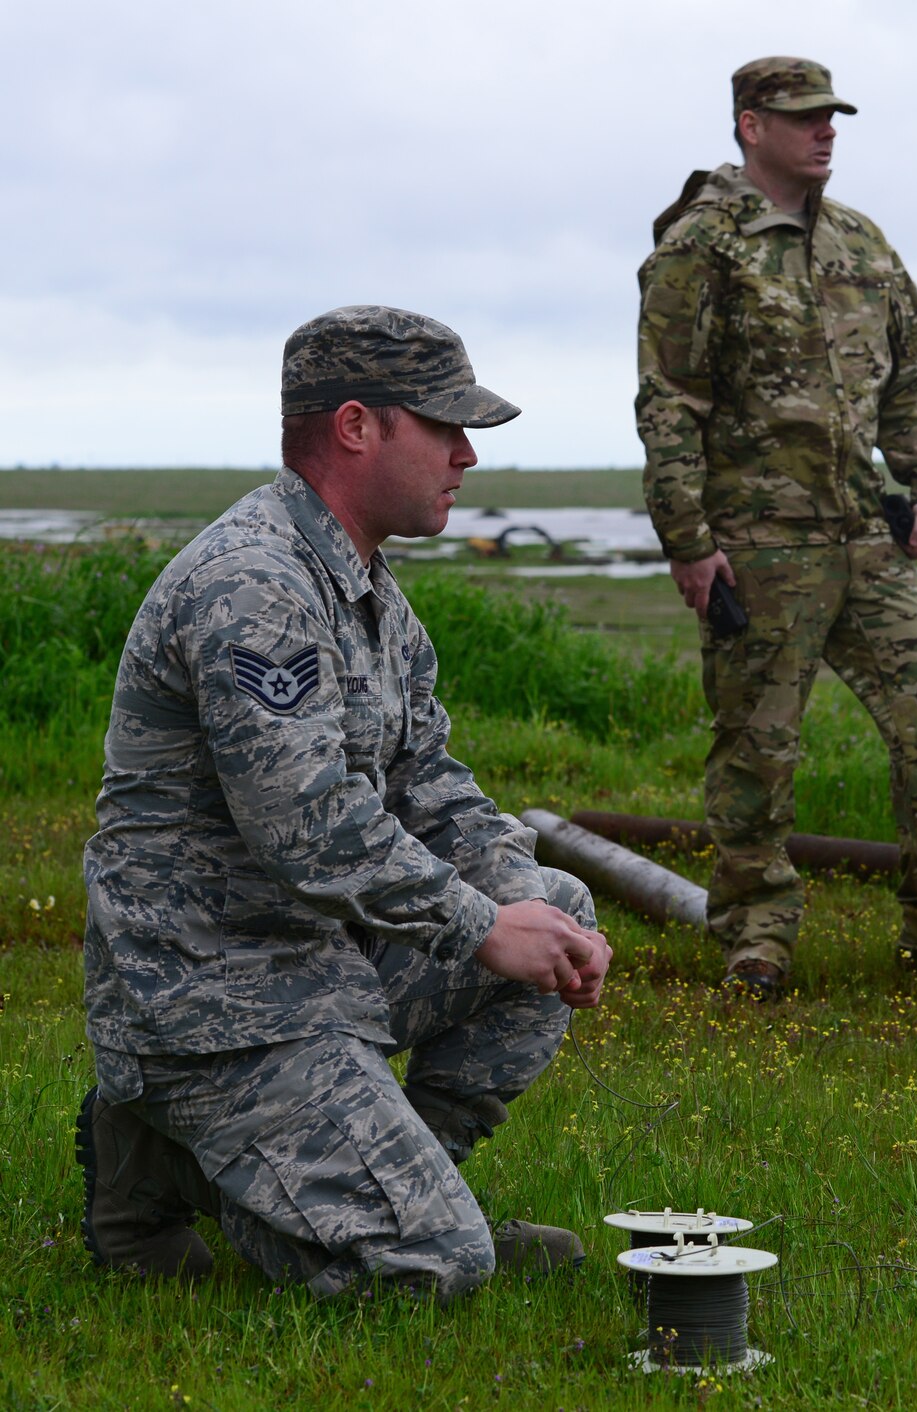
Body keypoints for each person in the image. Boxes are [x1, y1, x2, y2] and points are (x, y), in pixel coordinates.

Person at [78, 306, 613, 1297]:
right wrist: (475, 922)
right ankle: (181, 1160)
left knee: (558, 907)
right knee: (434, 1266)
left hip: (314, 960)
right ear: (357, 426)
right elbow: (306, 822)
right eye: (444, 426)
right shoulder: (254, 580)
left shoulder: (366, 588)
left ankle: (392, 1173)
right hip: (211, 993)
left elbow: (428, 782)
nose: (466, 455)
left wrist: (510, 900)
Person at [634, 56, 917, 998]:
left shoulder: (862, 242)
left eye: (831, 116)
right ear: (749, 126)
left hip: (869, 539)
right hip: (762, 544)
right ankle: (756, 937)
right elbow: (670, 399)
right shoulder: (704, 243)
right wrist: (689, 542)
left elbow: (913, 375)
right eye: (803, 116)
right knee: (758, 750)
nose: (825, 131)